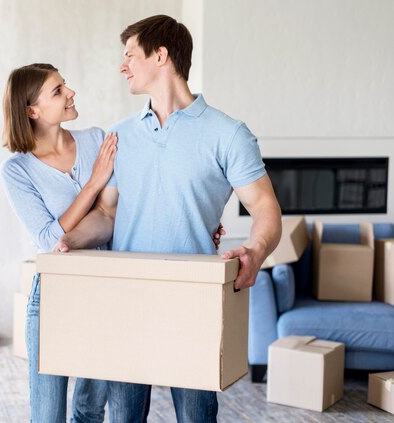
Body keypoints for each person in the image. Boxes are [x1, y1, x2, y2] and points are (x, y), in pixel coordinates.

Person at [53, 15, 282, 423]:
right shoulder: (120, 136)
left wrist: (257, 248)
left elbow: (265, 207)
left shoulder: (228, 134)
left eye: (129, 55)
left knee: (196, 417)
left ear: (161, 56)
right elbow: (107, 213)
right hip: (127, 299)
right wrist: (71, 241)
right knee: (124, 417)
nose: (122, 66)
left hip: (194, 303)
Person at [0, 63, 114, 423]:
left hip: (106, 292)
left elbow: (116, 217)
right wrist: (94, 183)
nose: (71, 93)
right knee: (48, 416)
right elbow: (50, 239)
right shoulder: (17, 170)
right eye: (58, 90)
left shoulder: (97, 139)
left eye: (65, 85)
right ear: (32, 111)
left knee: (90, 411)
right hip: (53, 298)